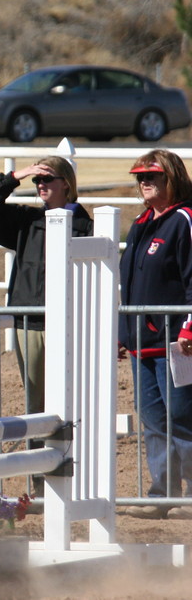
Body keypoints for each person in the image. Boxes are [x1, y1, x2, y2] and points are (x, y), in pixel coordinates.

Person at [0, 157, 93, 418]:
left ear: (66, 184)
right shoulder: (26, 221)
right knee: (34, 402)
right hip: (30, 322)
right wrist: (16, 176)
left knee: (71, 397)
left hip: (71, 324)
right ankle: (37, 453)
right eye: (37, 179)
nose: (39, 184)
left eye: (46, 178)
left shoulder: (87, 228)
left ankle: (71, 456)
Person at [118, 149, 192, 520]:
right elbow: (128, 285)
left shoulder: (185, 220)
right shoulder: (140, 222)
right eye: (140, 177)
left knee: (182, 416)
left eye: (153, 176)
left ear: (172, 178)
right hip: (142, 345)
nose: (145, 182)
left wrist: (189, 327)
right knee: (152, 420)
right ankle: (163, 493)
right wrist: (123, 332)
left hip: (178, 344)